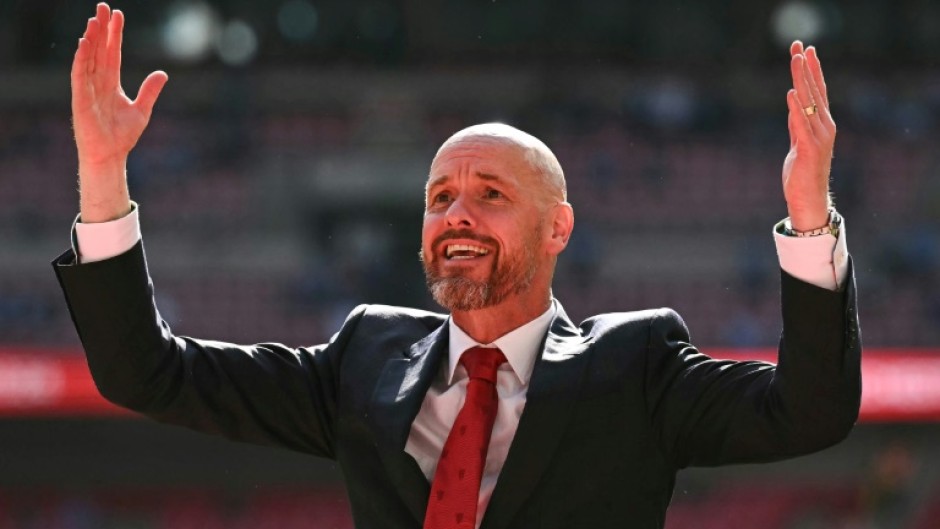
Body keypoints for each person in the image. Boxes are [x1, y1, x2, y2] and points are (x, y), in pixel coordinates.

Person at [54, 4, 861, 529]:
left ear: (558, 228)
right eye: (439, 197)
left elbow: (809, 412)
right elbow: (147, 374)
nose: (456, 214)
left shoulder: (638, 366)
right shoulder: (365, 358)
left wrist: (806, 216)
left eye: (490, 193)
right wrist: (101, 172)